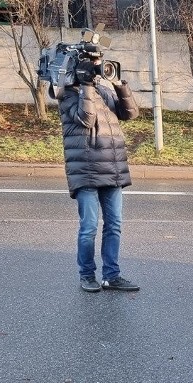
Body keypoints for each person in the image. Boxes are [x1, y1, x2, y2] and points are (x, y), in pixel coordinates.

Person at [57, 58, 140, 292]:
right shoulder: (67, 94)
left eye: (100, 64)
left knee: (114, 225)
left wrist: (119, 84)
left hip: (112, 168)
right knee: (89, 227)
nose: (98, 69)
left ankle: (111, 276)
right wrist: (86, 86)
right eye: (93, 65)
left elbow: (130, 113)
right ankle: (86, 275)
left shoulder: (105, 90)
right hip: (85, 170)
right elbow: (87, 118)